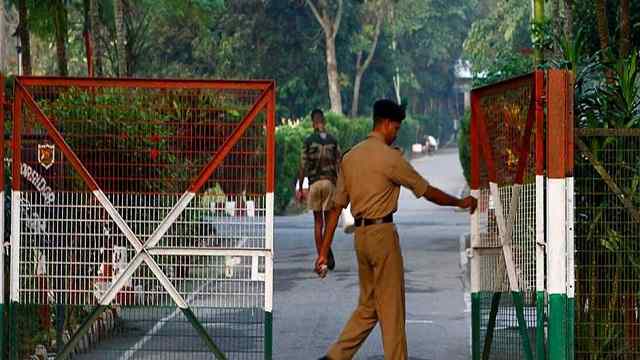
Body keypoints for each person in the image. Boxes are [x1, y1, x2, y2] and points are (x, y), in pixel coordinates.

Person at [314, 99, 477, 360]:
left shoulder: (351, 157)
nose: (396, 133)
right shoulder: (390, 158)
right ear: (387, 124)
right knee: (392, 307)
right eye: (397, 128)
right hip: (382, 235)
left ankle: (335, 357)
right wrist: (460, 201)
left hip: (361, 238)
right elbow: (427, 191)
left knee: (369, 306)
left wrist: (323, 252)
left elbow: (335, 209)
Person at [298, 109, 342, 270]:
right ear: (324, 121)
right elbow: (339, 163)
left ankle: (321, 258)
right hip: (330, 183)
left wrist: (301, 187)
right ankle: (326, 251)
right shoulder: (333, 140)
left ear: (312, 122)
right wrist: (342, 185)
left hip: (315, 184)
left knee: (318, 223)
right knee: (329, 222)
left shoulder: (308, 141)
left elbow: (303, 165)